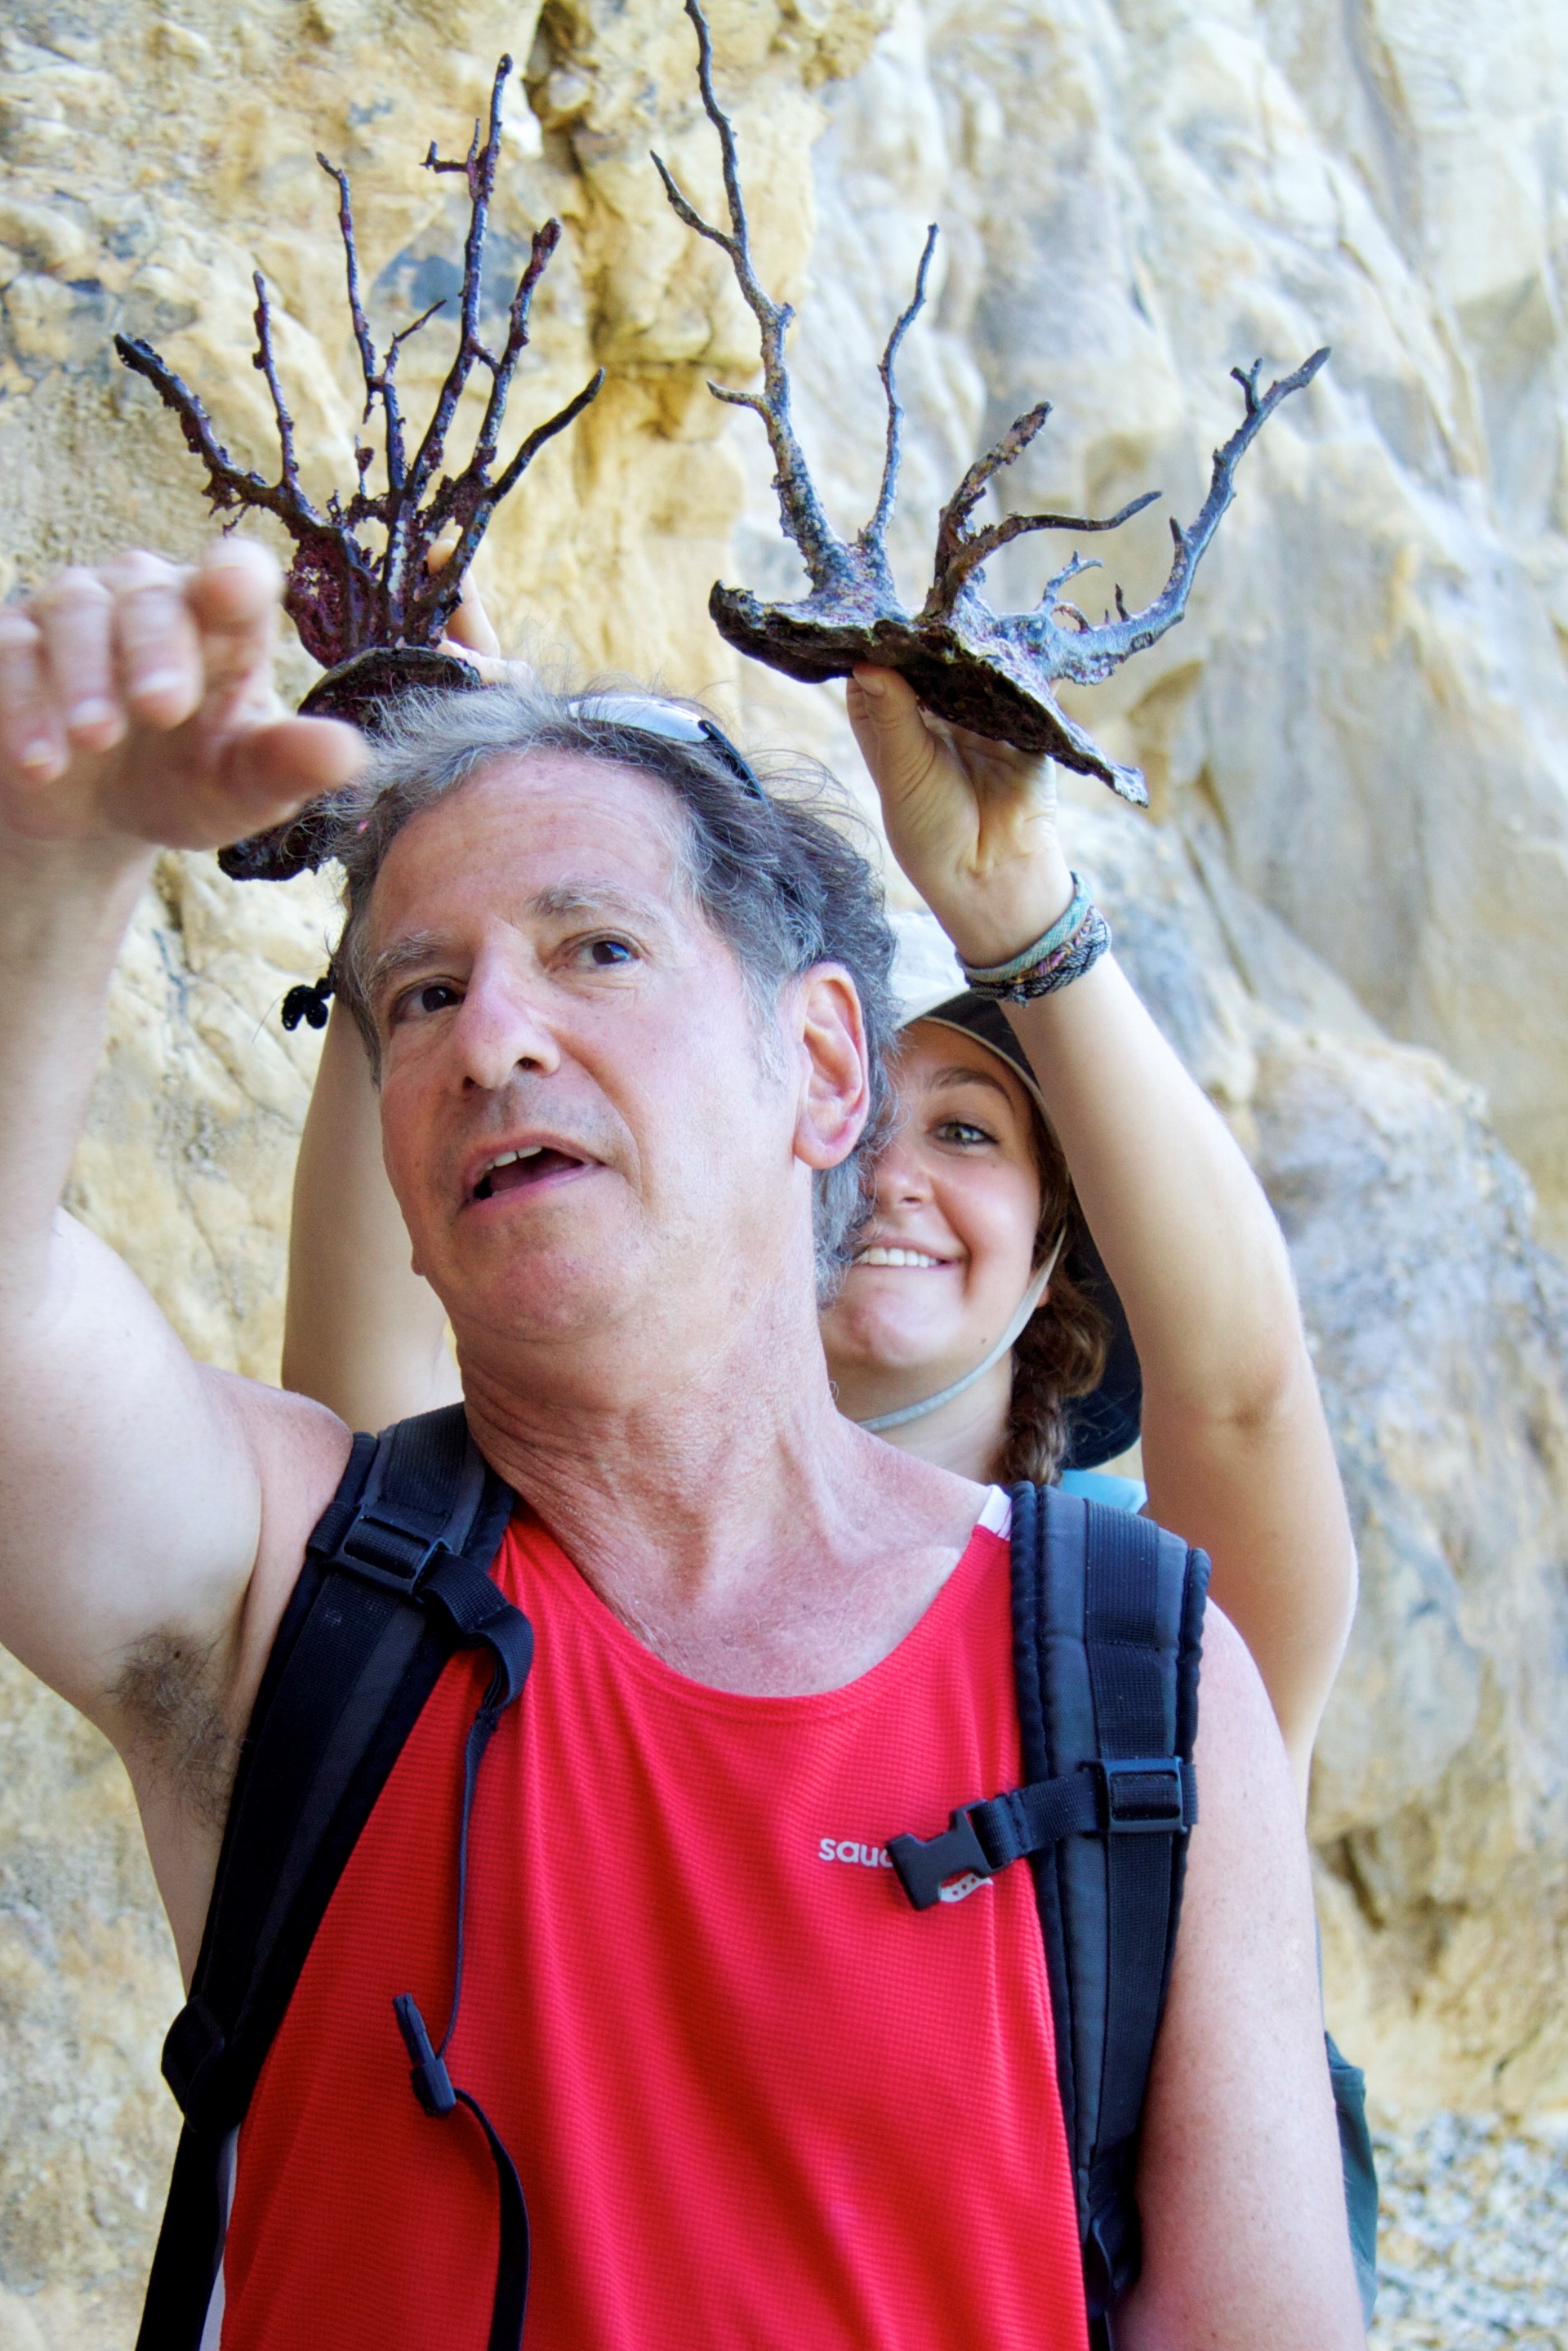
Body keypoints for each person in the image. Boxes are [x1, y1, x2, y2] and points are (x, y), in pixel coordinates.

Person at [0, 534, 1393, 2351]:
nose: (489, 1037)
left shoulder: (1126, 1683)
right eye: (418, 994)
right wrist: (56, 843)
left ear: (822, 1066)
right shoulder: (305, 1591)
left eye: (595, 950)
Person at [286, 596, 1356, 1807]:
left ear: (1059, 1253)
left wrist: (1017, 907)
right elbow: (360, 1374)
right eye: (862, 1116)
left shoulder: (1143, 1632)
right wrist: (426, 859)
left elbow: (1244, 1402)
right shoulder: (494, 1558)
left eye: (967, 1131)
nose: (887, 1171)